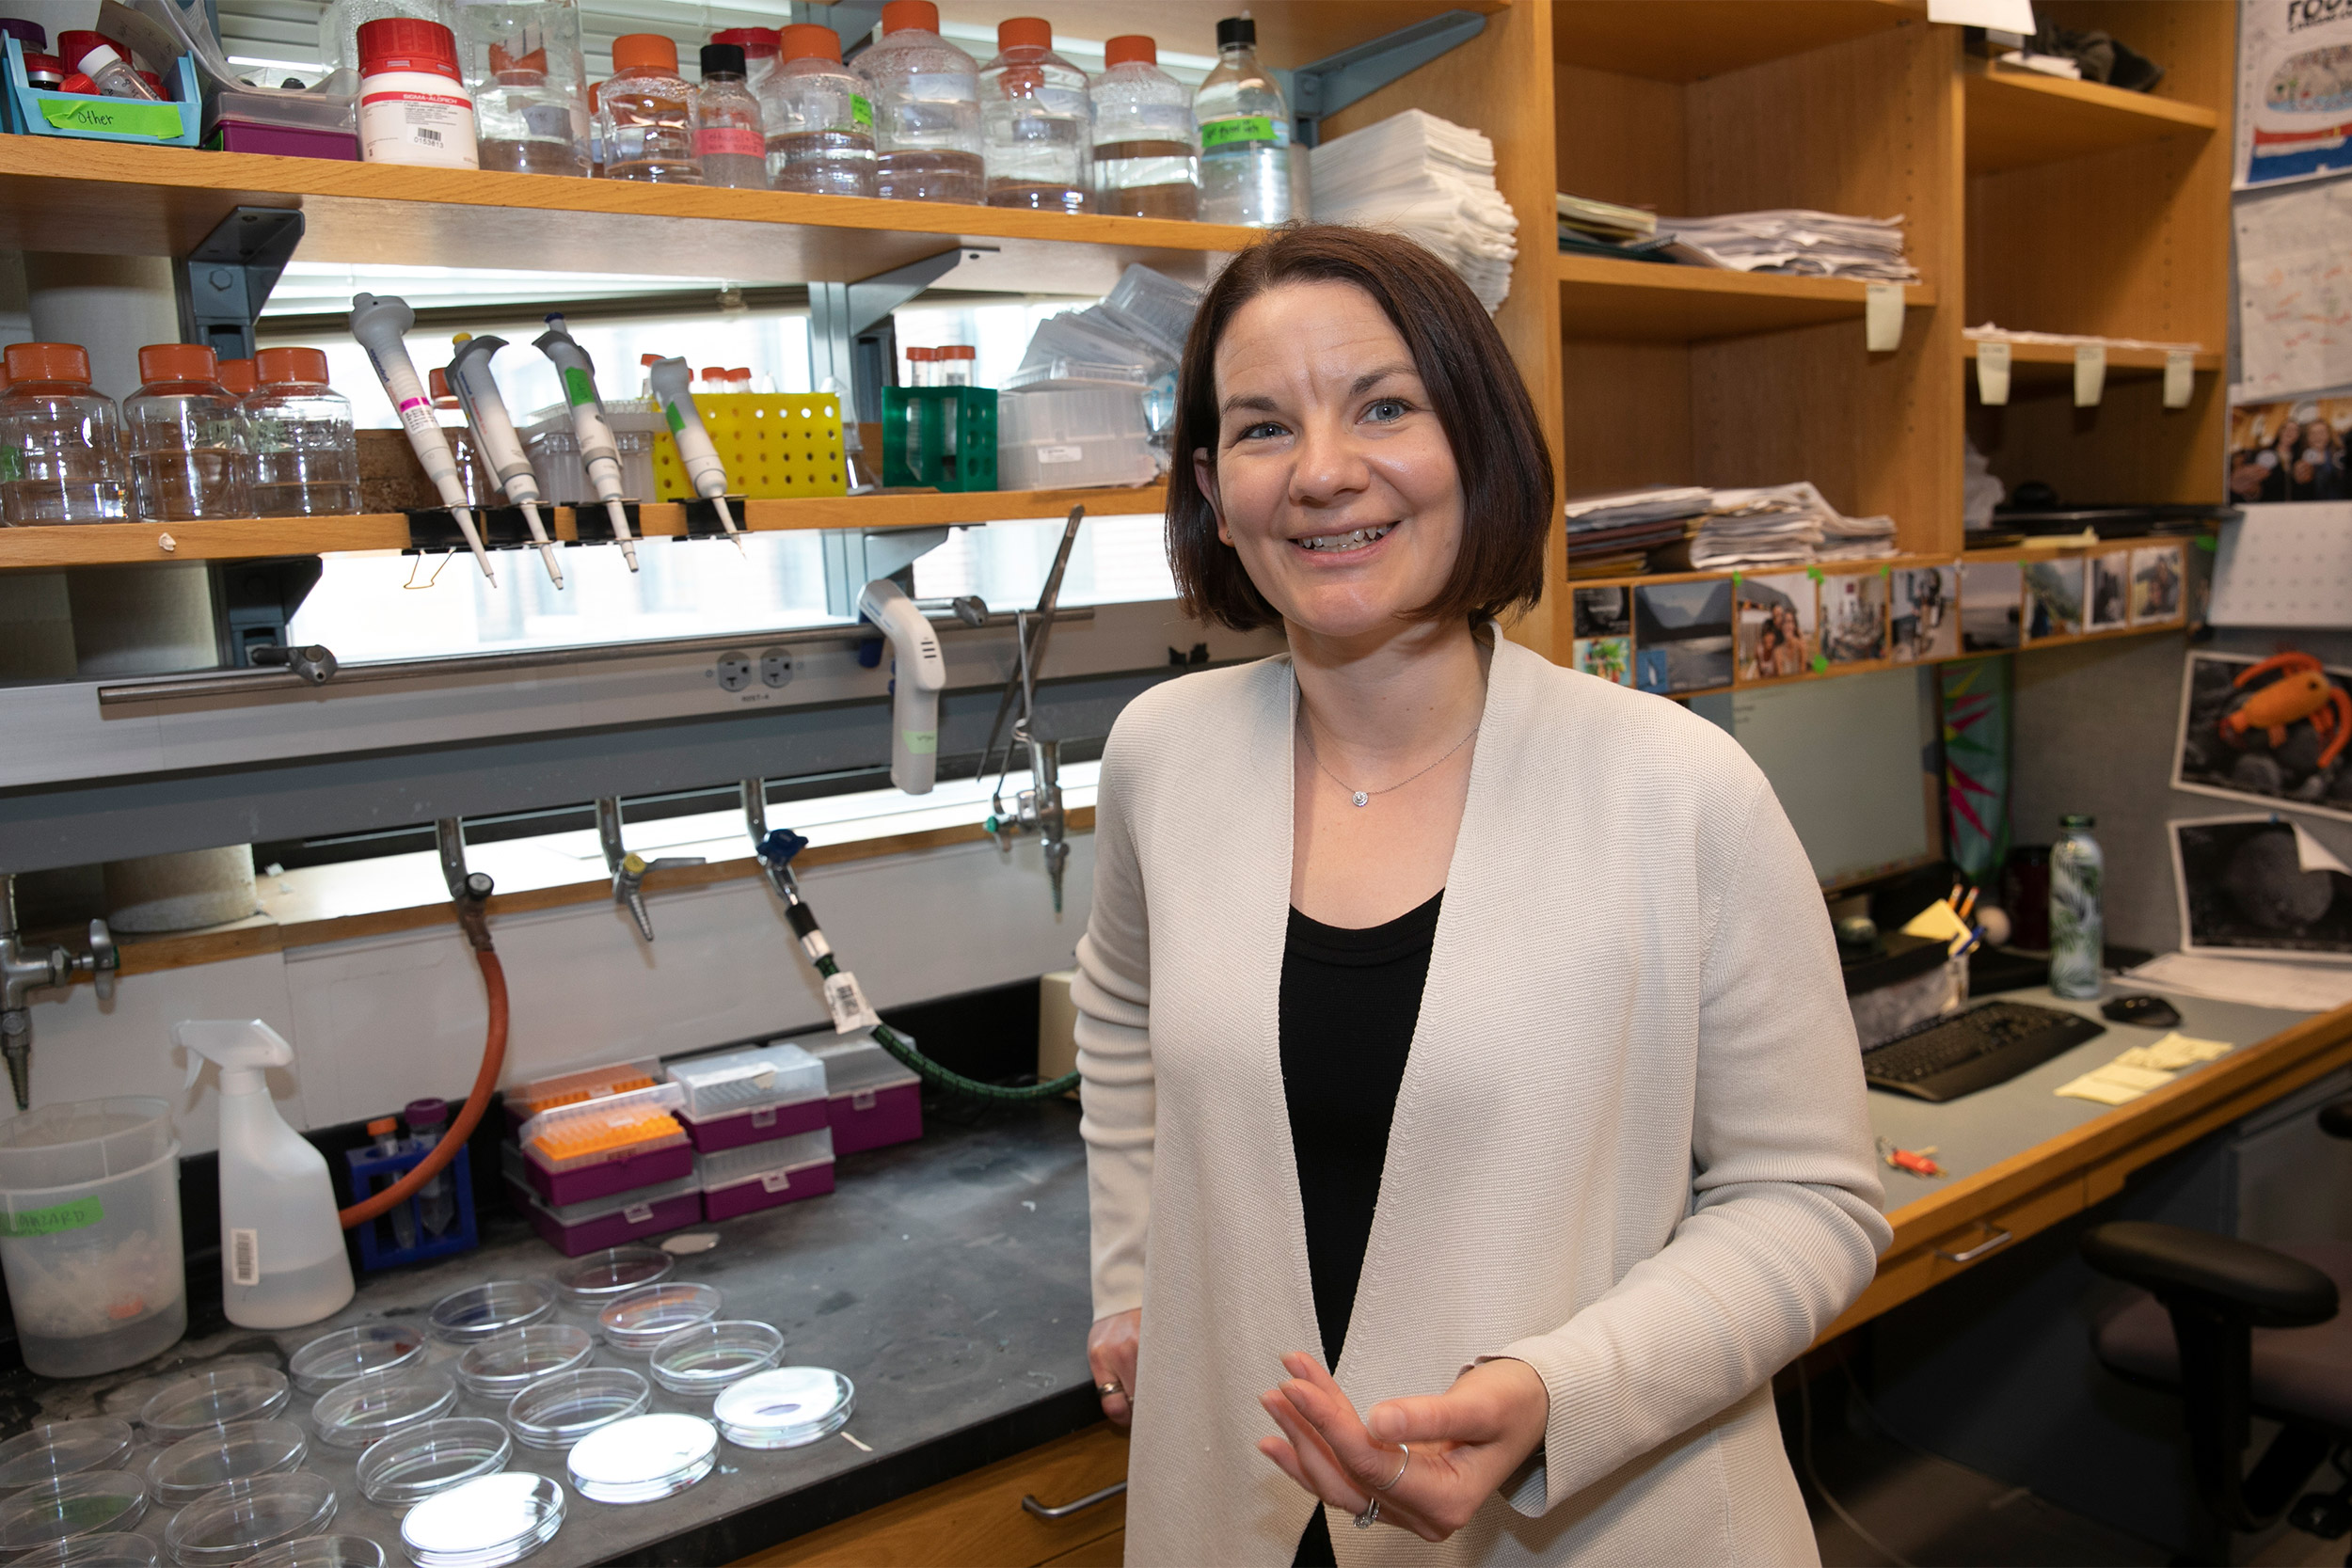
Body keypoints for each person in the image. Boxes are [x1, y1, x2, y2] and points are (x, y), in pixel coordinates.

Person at [1074, 226, 1889, 1566]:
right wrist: (1133, 1281)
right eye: (1266, 429)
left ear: (1479, 443)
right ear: (1218, 491)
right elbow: (1117, 1014)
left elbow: (1813, 1200)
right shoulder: (1165, 756)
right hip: (1243, 1506)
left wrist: (1556, 1395)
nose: (1326, 473)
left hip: (1586, 1518)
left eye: (1385, 407)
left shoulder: (1679, 788)